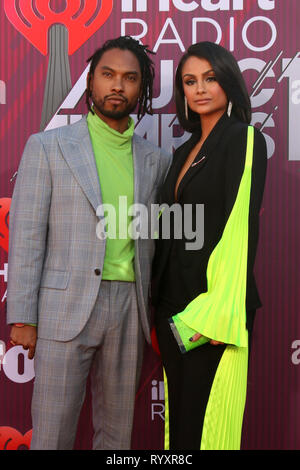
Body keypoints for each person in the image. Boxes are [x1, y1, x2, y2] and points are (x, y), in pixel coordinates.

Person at [7, 36, 171, 450]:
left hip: (128, 309)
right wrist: (23, 316)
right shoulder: (48, 147)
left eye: (129, 78)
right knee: (52, 432)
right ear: (90, 82)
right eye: (107, 75)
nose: (117, 85)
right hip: (64, 307)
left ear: (142, 88)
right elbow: (26, 234)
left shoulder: (156, 159)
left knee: (118, 436)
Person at [152, 41, 267, 450]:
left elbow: (240, 227)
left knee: (208, 423)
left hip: (211, 310)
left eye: (210, 78)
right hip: (171, 306)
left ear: (228, 82)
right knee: (181, 422)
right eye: (189, 81)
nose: (200, 89)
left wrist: (222, 310)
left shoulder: (245, 139)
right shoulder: (182, 151)